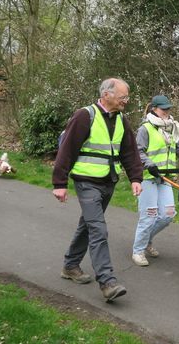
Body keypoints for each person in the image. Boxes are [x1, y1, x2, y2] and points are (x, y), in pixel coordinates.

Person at [53, 78, 143, 301]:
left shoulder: (122, 119)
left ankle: (70, 266)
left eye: (126, 97)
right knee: (98, 229)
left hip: (108, 182)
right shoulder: (85, 115)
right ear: (106, 95)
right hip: (86, 182)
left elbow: (129, 152)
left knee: (88, 225)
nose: (126, 101)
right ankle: (108, 282)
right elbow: (67, 149)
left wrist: (135, 178)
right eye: (123, 97)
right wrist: (60, 183)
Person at [132, 95, 179, 266]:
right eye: (163, 109)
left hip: (165, 178)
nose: (167, 112)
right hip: (147, 177)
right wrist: (150, 164)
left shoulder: (172, 128)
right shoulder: (145, 129)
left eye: (168, 109)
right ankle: (138, 251)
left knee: (168, 215)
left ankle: (146, 240)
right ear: (154, 109)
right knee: (149, 216)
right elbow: (137, 152)